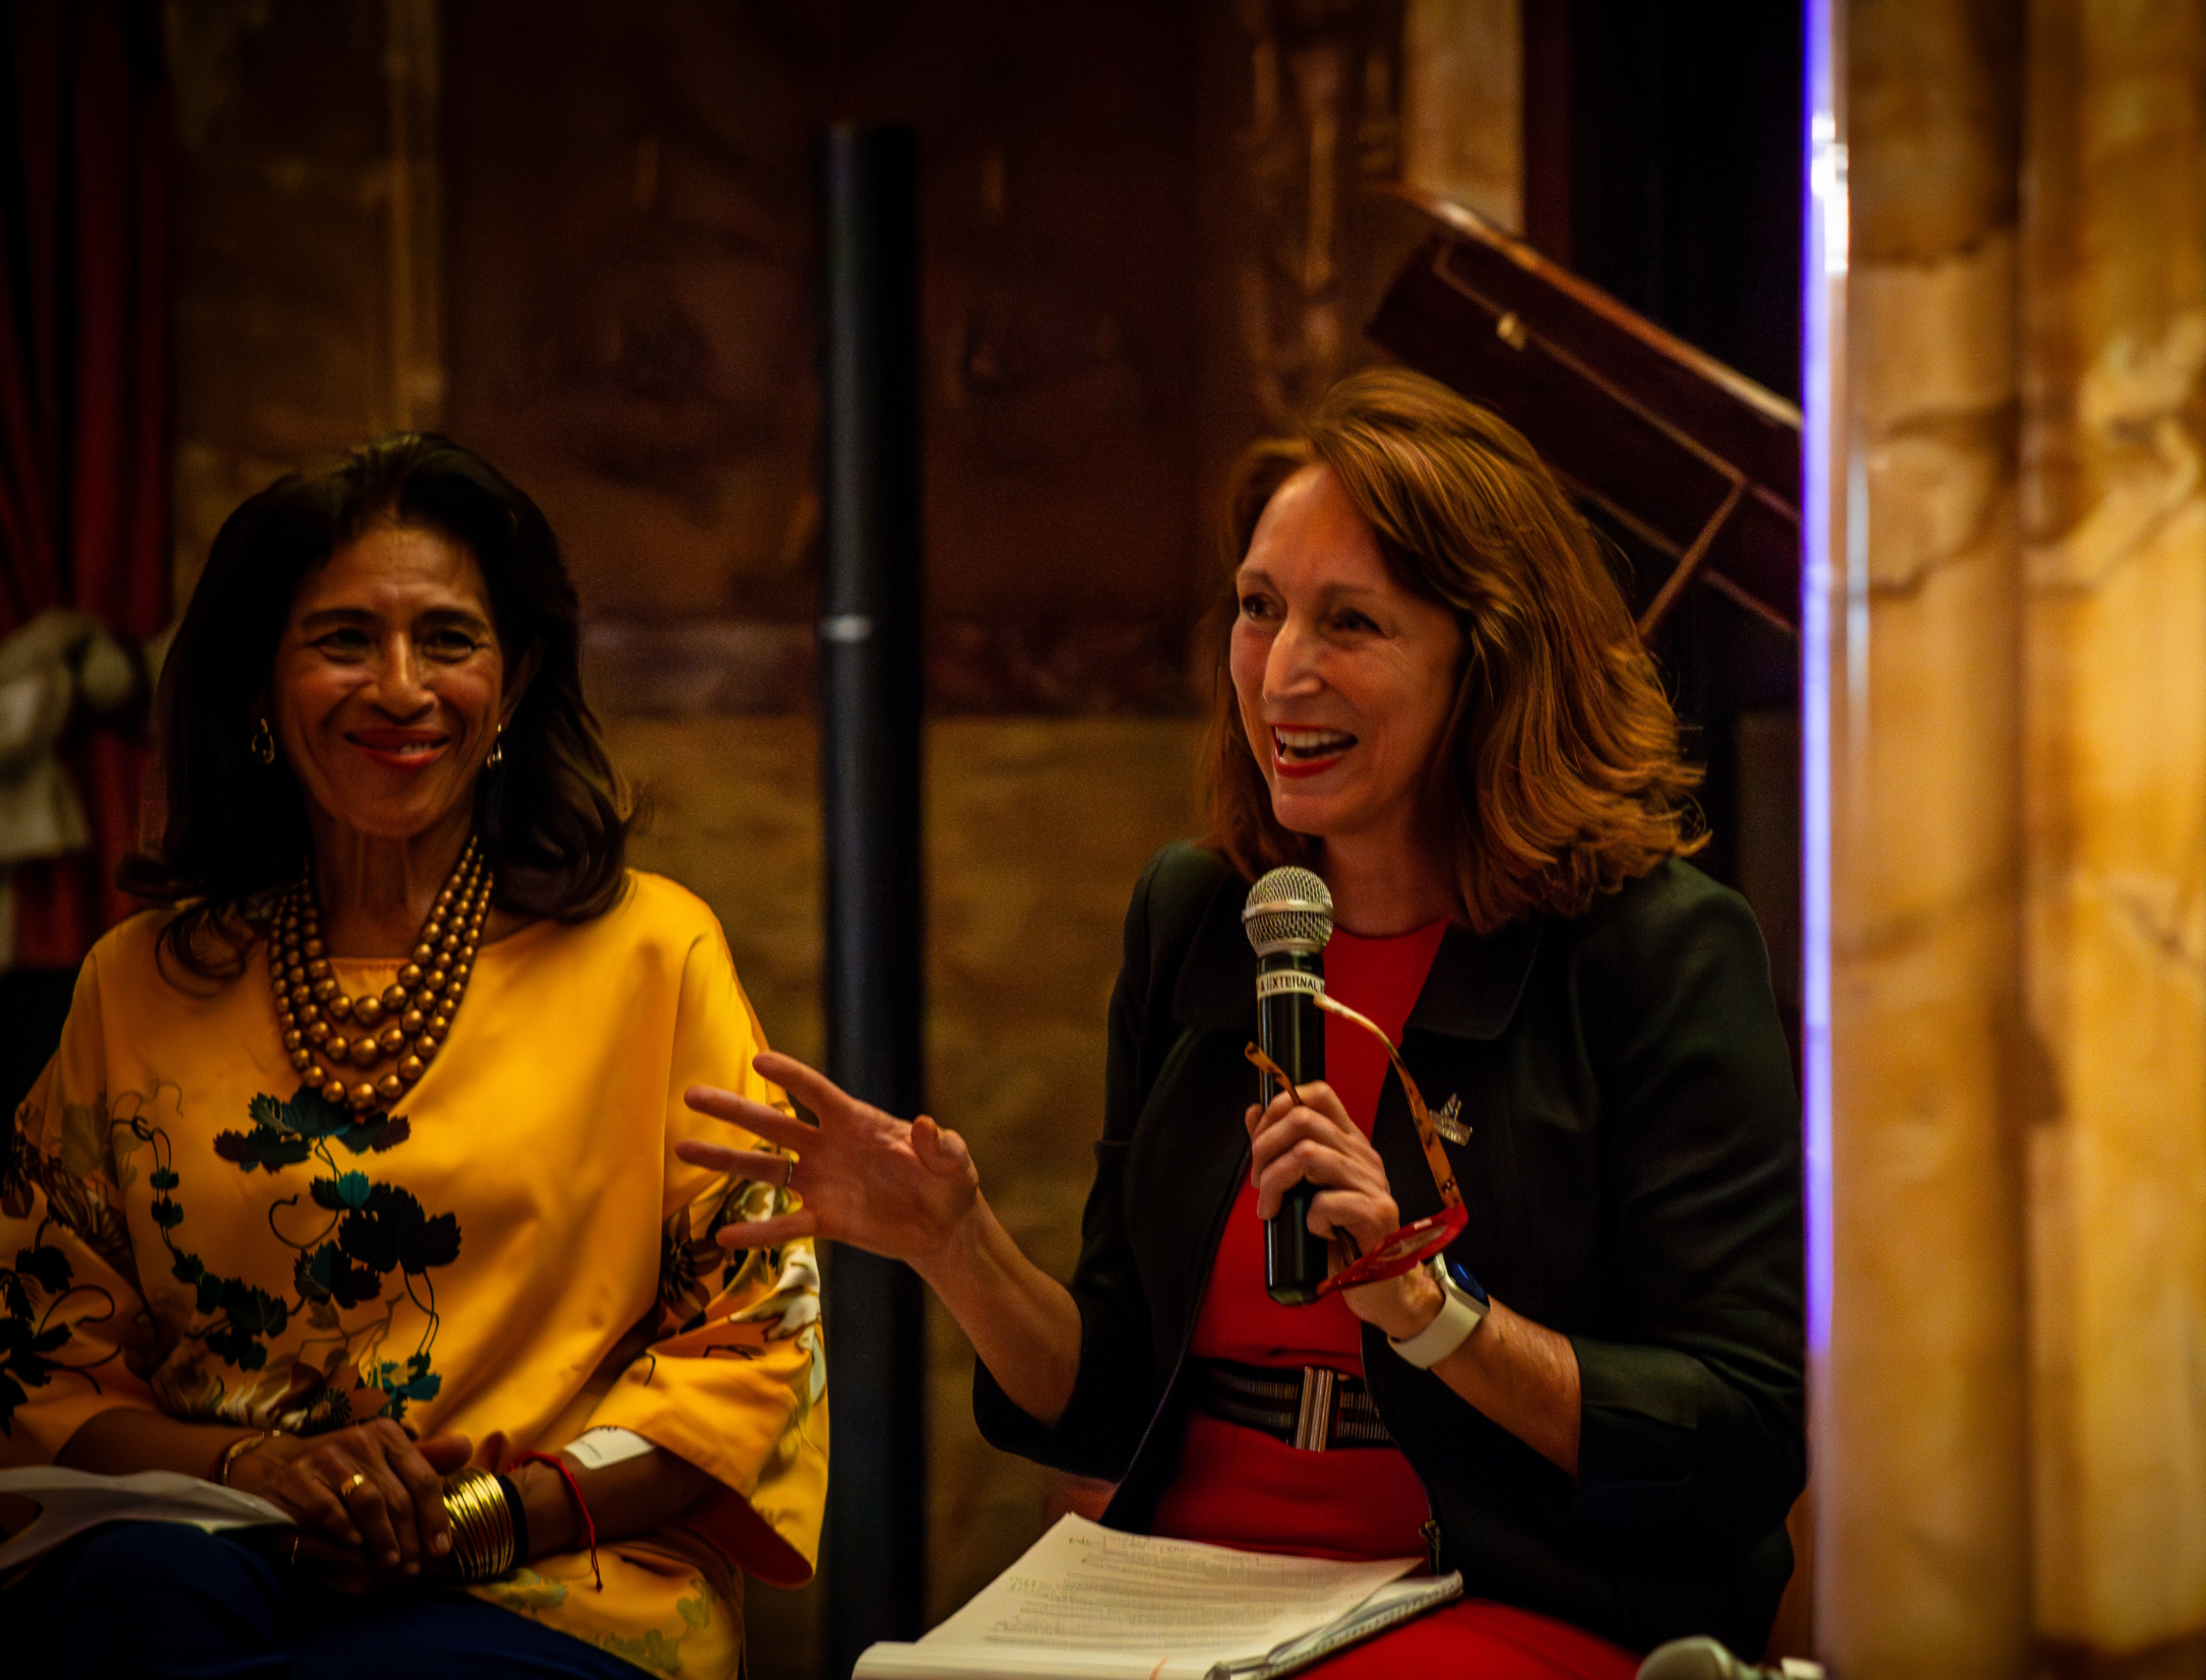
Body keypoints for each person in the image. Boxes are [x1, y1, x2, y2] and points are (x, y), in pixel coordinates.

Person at [684, 369, 1803, 1672]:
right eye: (1259, 607)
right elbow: (1108, 1401)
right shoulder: (1198, 912)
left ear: (1487, 661)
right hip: (1183, 1584)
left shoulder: (1655, 951)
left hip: (1504, 1586)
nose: (1280, 672)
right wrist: (957, 1244)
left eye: (1351, 623)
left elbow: (1739, 1432)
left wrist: (1429, 1308)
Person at [0, 436, 828, 1680]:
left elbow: (754, 1349)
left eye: (447, 640)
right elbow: (43, 1370)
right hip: (224, 1542)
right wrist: (257, 1468)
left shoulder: (656, 957)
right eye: (344, 640)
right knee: (129, 1600)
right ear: (260, 684)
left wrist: (467, 1522)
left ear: (516, 677)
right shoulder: (136, 981)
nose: (400, 688)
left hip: (553, 1578)